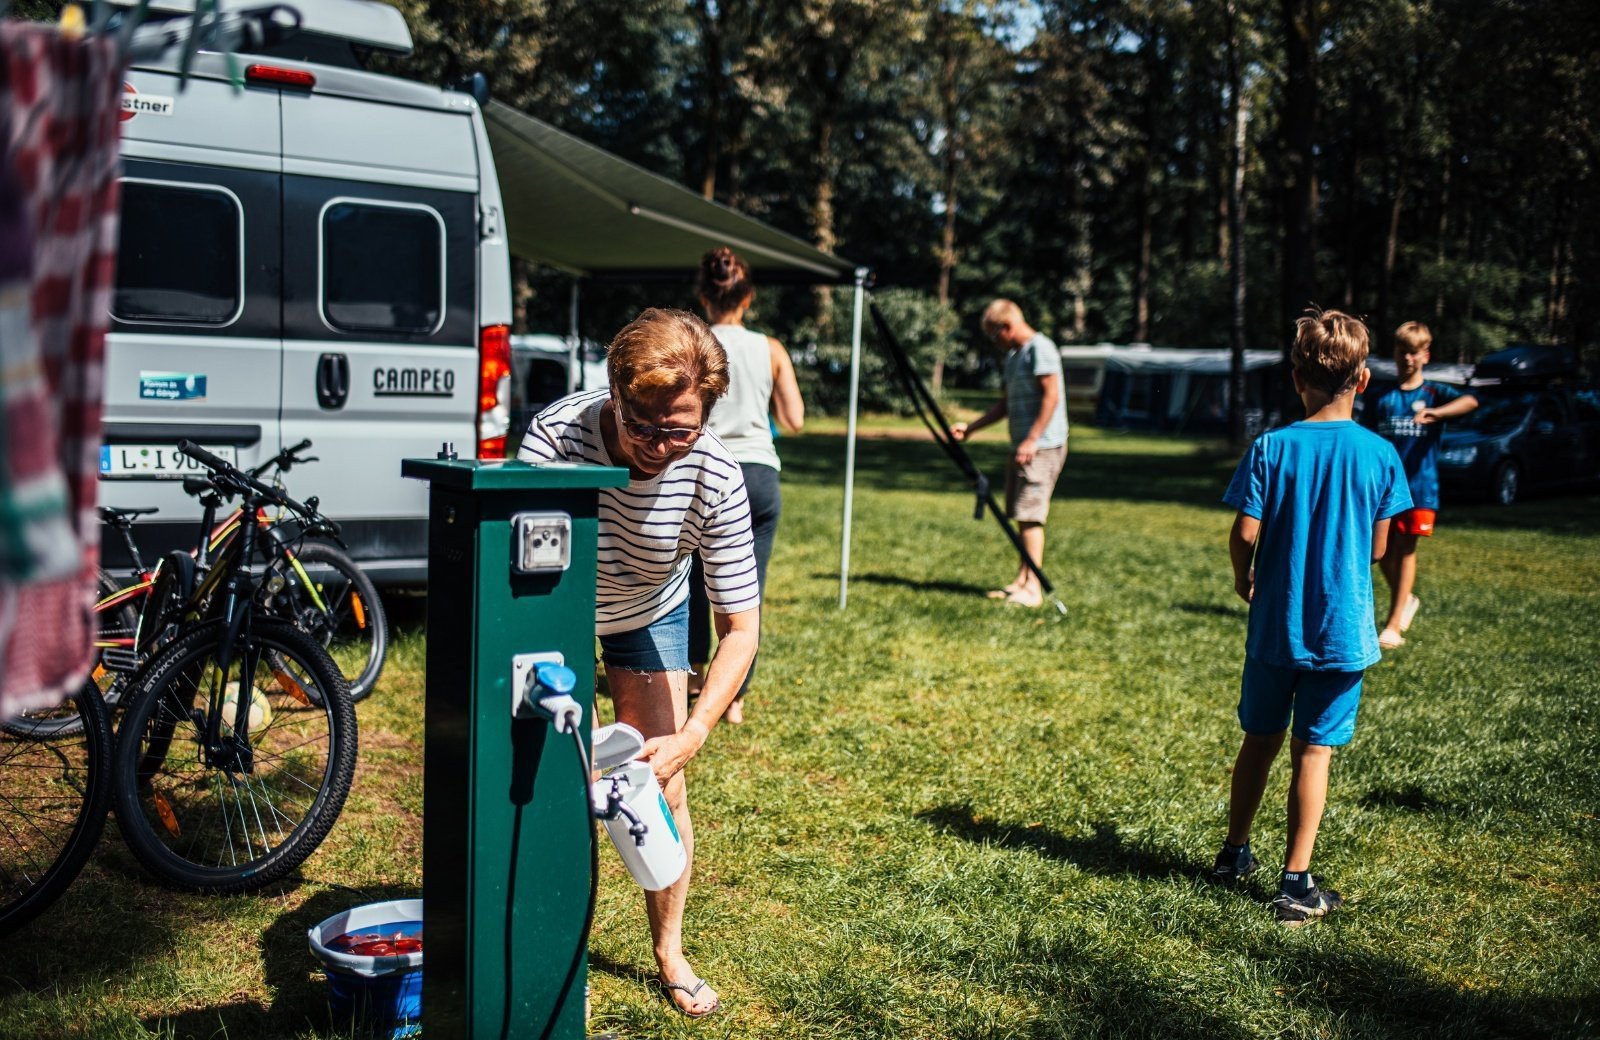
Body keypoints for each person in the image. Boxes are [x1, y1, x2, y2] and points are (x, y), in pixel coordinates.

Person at [517, 308, 760, 1018]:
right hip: (554, 609)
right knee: (543, 780)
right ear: (615, 394)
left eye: (679, 430)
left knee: (661, 781)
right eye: (640, 426)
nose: (657, 447)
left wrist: (694, 733)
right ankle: (548, 948)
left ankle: (670, 952)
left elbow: (740, 628)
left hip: (647, 610)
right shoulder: (556, 437)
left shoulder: (715, 475)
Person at [1211, 309, 1411, 926]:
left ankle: (1234, 853)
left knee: (1259, 740)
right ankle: (1296, 885)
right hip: (1341, 634)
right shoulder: (1381, 455)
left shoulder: (1271, 447)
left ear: (1297, 379)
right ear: (1364, 380)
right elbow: (1378, 549)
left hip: (1276, 627)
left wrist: (1243, 576)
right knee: (1313, 752)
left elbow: (1245, 534)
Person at [685, 247, 804, 724]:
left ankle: (693, 676)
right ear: (748, 297)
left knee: (691, 579)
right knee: (747, 591)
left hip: (704, 471)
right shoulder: (770, 348)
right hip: (758, 474)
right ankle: (733, 700)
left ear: (703, 297)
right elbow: (794, 419)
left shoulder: (692, 342)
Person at [1365, 322, 1479, 649]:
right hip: (1383, 490)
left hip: (1420, 488)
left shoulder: (1434, 393)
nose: (1408, 358)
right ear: (1395, 353)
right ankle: (1406, 599)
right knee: (1380, 552)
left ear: (1426, 355)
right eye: (1402, 351)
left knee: (1406, 549)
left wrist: (1438, 414)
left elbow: (1471, 402)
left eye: (1414, 352)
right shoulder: (1382, 397)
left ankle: (1393, 626)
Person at [950, 299, 1067, 608]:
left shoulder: (1040, 349)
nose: (994, 343)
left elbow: (1051, 397)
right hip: (1023, 446)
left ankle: (1033, 589)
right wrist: (971, 428)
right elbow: (1005, 404)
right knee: (1019, 514)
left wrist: (1031, 440)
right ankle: (1022, 580)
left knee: (1030, 515)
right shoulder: (1014, 357)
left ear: (1007, 326)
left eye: (993, 335)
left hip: (1042, 446)